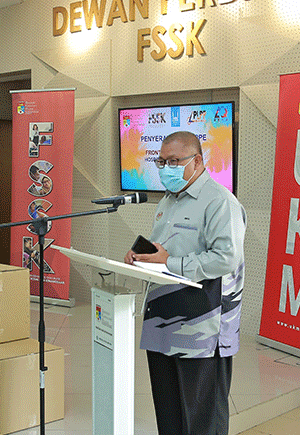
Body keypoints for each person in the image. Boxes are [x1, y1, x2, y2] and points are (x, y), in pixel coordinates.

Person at [124, 131, 246, 435]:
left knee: (203, 421)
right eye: (161, 162)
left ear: (198, 161)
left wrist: (169, 263)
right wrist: (143, 256)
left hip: (202, 329)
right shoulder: (169, 200)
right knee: (169, 416)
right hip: (163, 323)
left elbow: (225, 259)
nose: (166, 168)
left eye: (174, 161)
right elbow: (165, 252)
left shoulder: (220, 202)